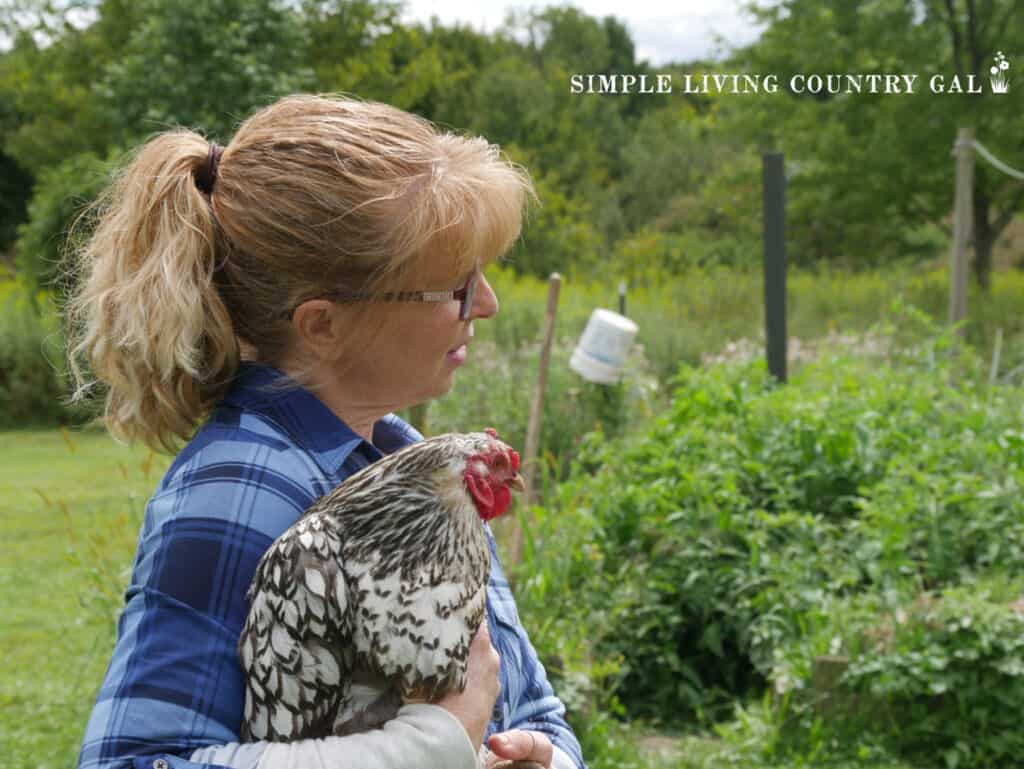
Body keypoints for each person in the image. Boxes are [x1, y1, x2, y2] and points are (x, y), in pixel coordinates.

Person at [65, 93, 585, 769]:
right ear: (324, 324)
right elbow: (131, 762)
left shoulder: (411, 467)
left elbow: (528, 706)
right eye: (454, 286)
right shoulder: (241, 488)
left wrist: (548, 756)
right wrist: (428, 749)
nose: (484, 303)